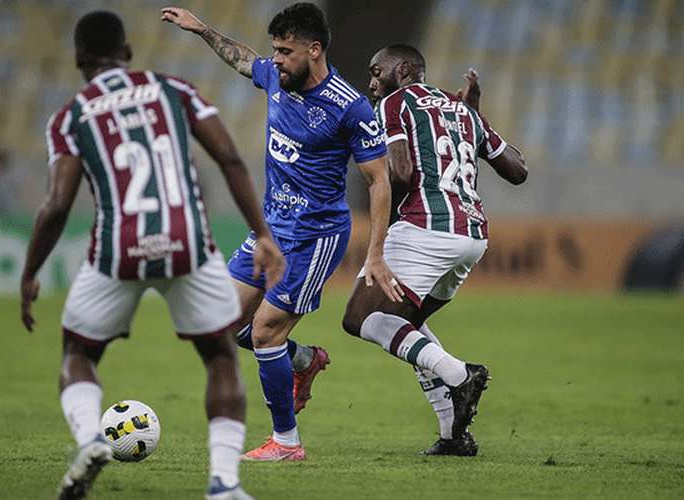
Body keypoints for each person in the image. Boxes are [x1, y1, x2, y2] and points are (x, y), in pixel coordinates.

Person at [19, 11, 284, 500]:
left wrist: (30, 273)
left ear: (79, 59)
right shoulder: (174, 91)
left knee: (79, 353)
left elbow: (56, 204)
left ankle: (89, 441)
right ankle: (224, 483)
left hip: (117, 248)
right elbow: (228, 159)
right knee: (220, 356)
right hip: (187, 242)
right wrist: (262, 233)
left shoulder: (70, 117)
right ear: (128, 53)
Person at [162, 3, 402, 461]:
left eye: (285, 51)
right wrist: (201, 30)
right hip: (272, 229)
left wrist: (375, 253)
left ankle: (287, 444)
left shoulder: (350, 108)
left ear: (314, 50)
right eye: (275, 49)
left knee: (265, 333)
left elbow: (379, 181)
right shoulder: (276, 77)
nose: (276, 59)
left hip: (315, 236)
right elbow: (241, 58)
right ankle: (304, 360)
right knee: (224, 326)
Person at [342, 45, 527, 456]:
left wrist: (365, 162)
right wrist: (477, 116)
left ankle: (461, 374)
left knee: (360, 318)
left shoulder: (394, 103)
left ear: (404, 70)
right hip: (472, 236)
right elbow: (517, 171)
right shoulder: (462, 108)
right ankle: (452, 434)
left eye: (378, 71)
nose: (372, 82)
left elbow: (403, 173)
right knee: (406, 324)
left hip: (425, 227)